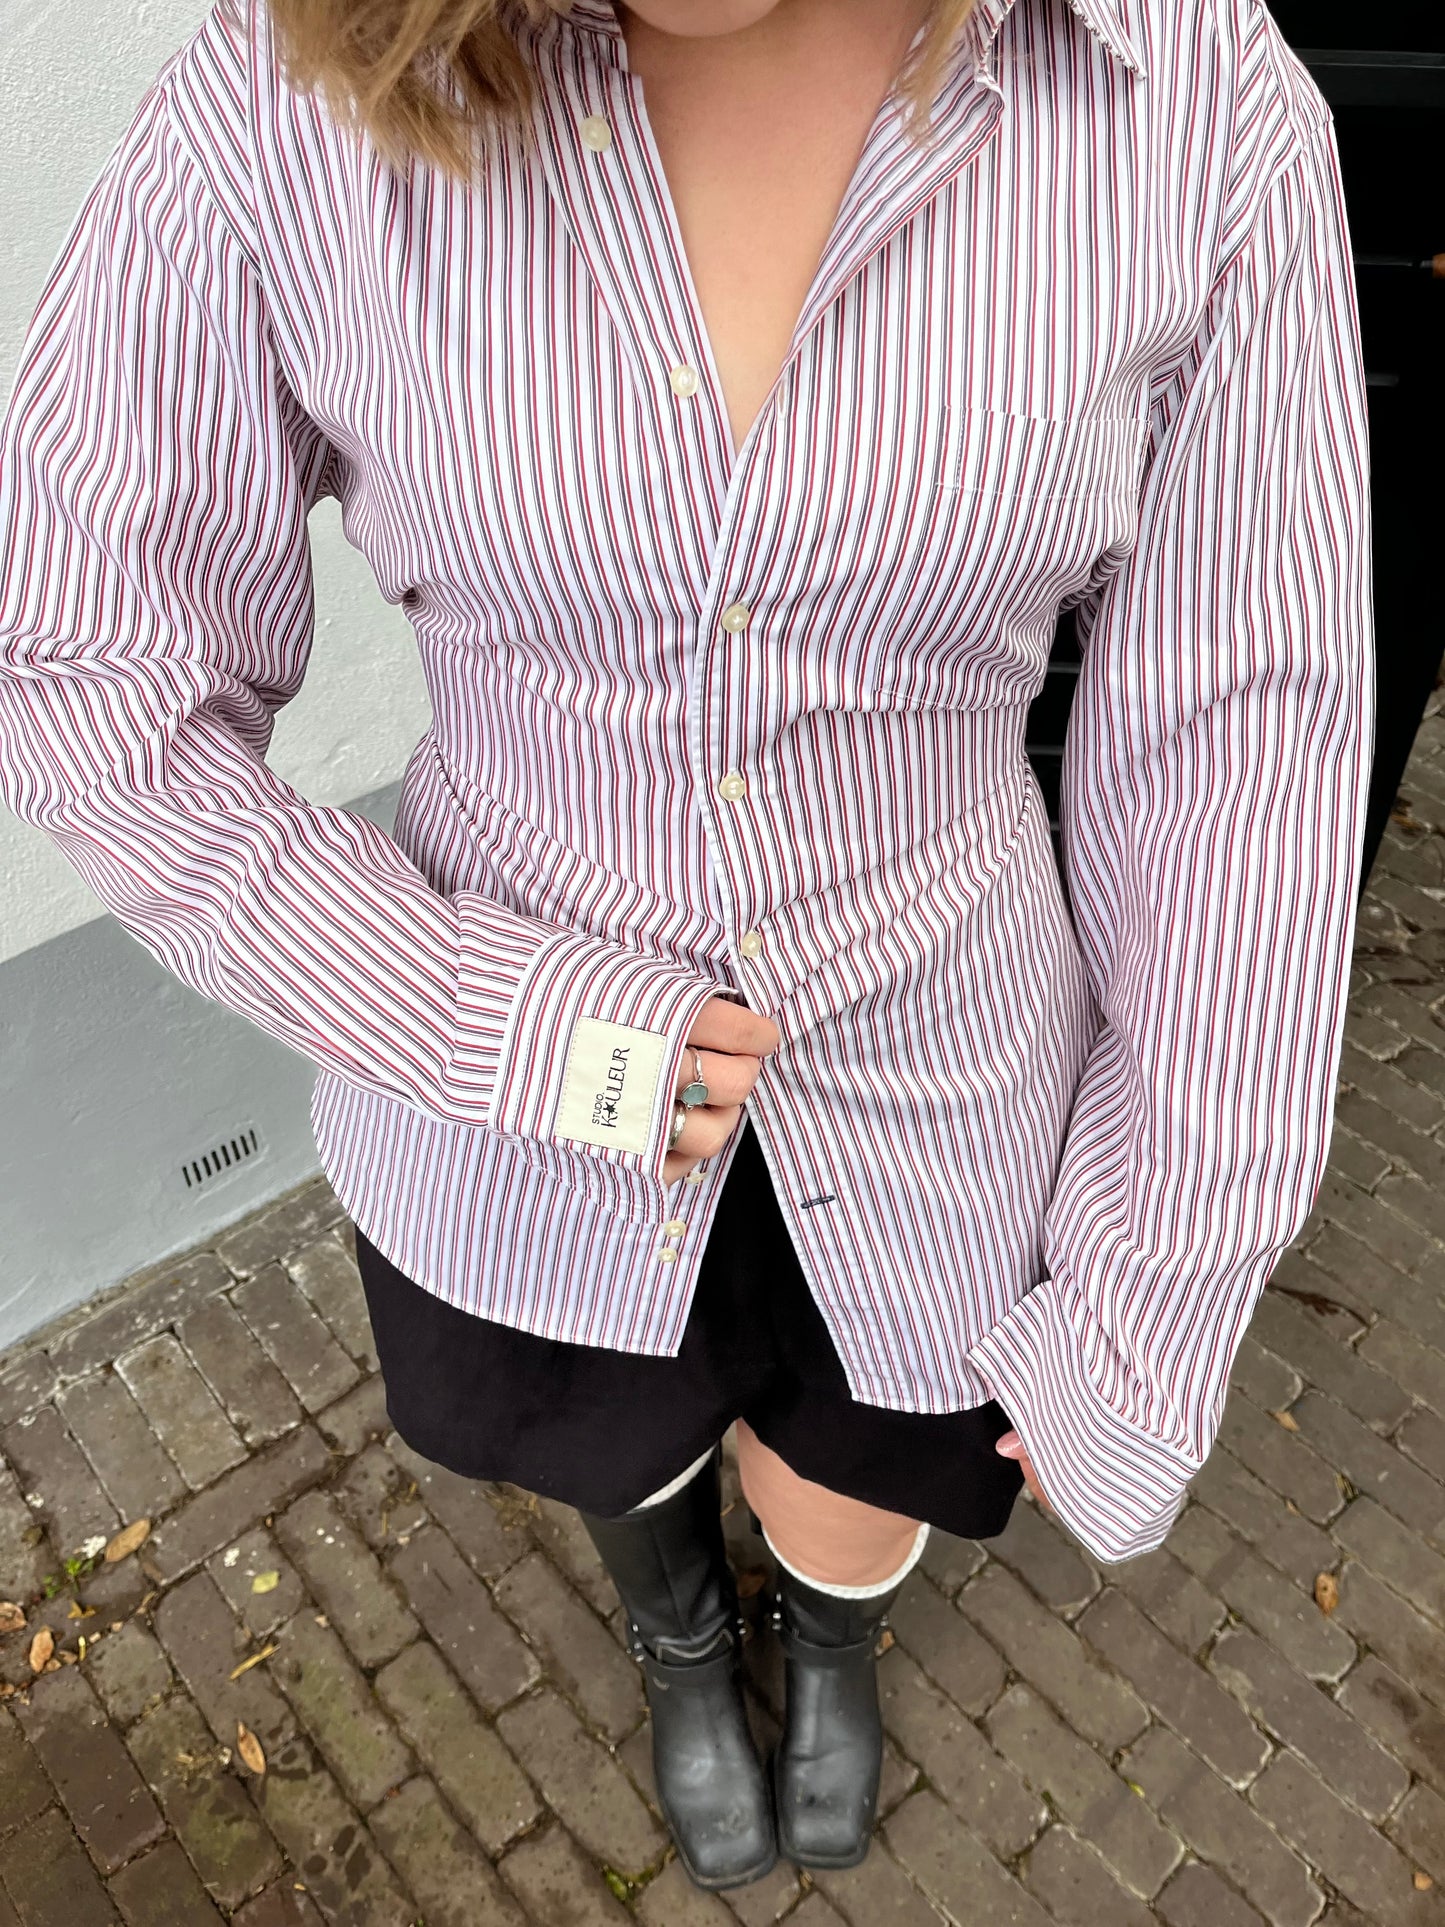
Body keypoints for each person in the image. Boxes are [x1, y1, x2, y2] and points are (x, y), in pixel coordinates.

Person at [0, 0, 1373, 1893]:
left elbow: (1244, 747)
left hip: (942, 1102)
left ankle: (825, 1643)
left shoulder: (1193, 101)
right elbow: (93, 668)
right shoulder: (290, 88)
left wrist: (1163, 1266)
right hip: (510, 1129)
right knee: (610, 1450)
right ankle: (675, 1640)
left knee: (861, 1487)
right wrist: (492, 1020)